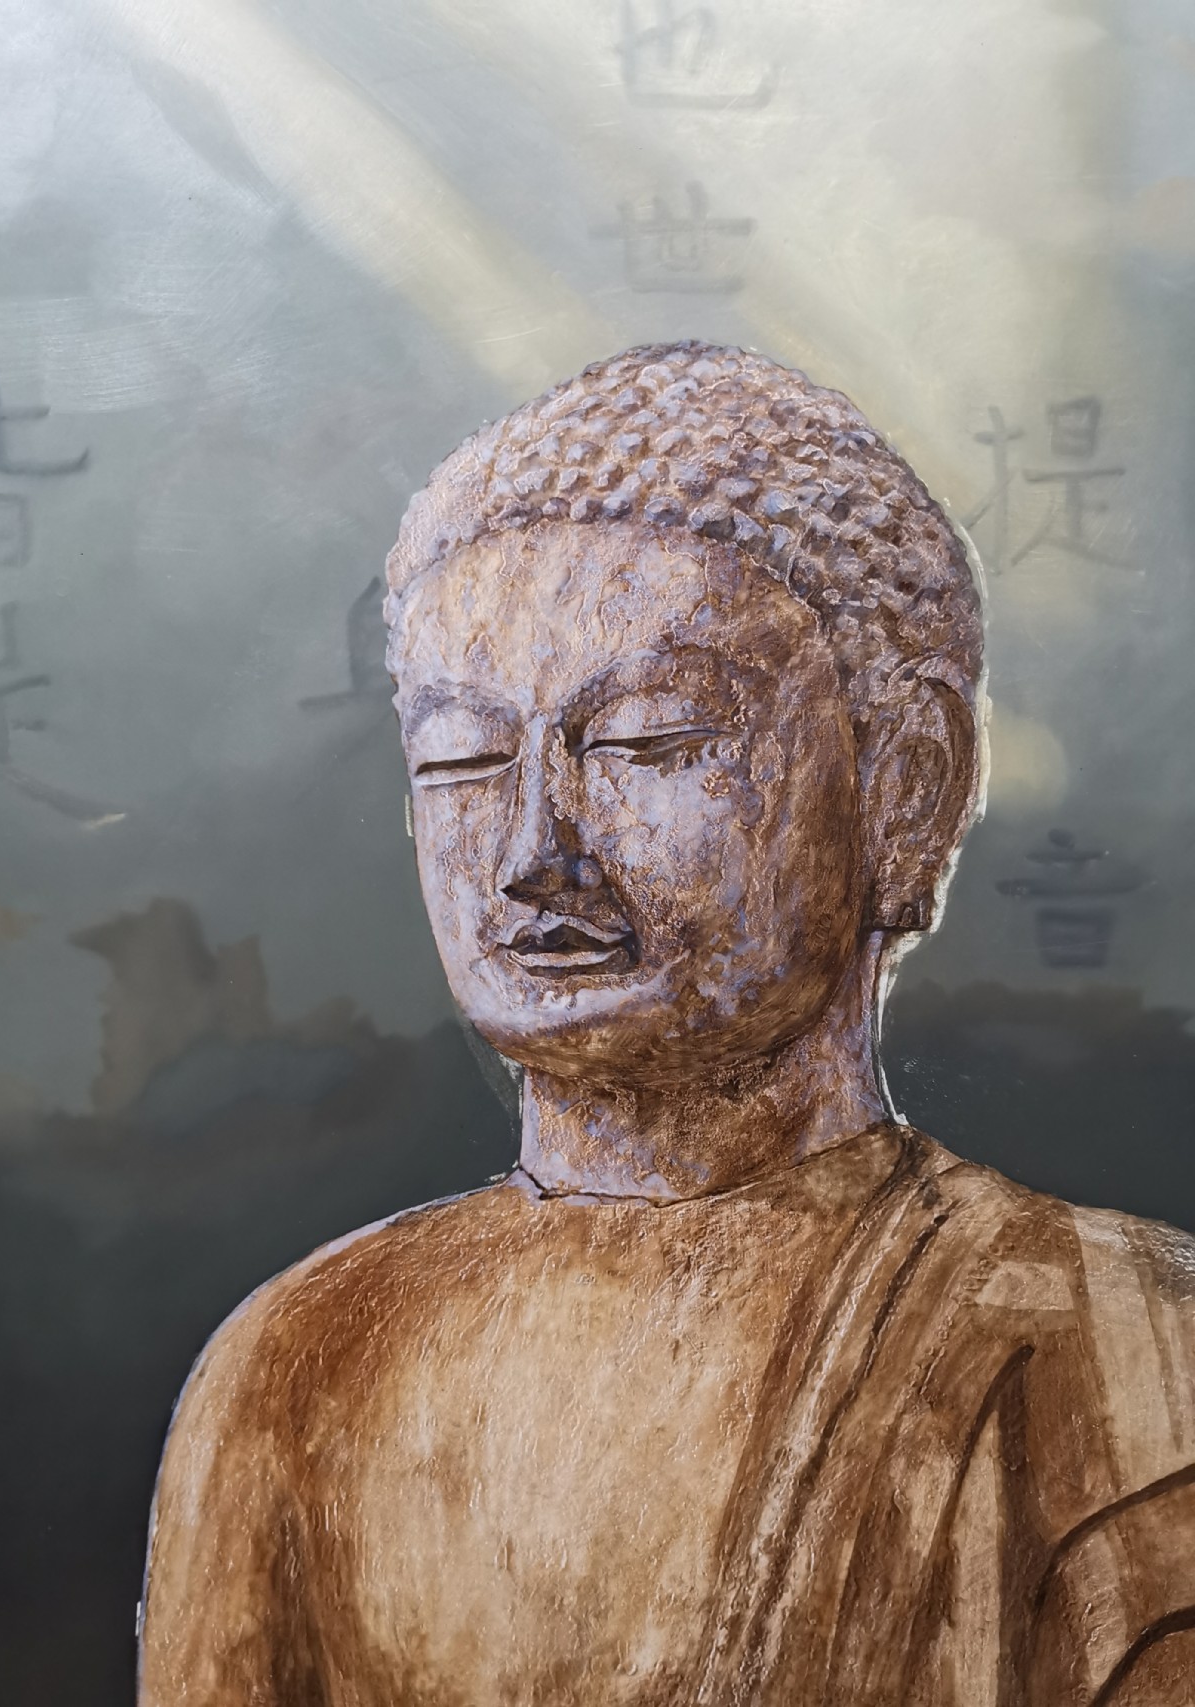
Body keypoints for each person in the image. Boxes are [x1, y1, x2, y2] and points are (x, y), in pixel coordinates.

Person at [139, 343, 1195, 1706]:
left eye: (647, 741)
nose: (534, 852)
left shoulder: (1118, 1338)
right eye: (462, 761)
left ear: (909, 784)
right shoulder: (298, 1360)